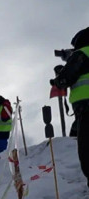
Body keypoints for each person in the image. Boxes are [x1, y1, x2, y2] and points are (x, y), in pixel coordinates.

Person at [51, 26, 89, 188]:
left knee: (87, 153)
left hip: (86, 108)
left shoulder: (83, 53)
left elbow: (65, 80)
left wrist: (59, 74)